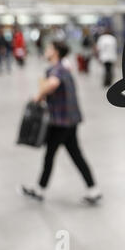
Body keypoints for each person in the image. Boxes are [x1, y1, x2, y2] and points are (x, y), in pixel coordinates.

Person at [21, 41, 101, 204]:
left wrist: (38, 95)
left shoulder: (56, 69)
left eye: (49, 48)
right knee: (75, 154)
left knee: (50, 155)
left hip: (60, 121)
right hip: (70, 119)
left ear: (56, 52)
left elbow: (53, 83)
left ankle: (39, 190)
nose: (46, 50)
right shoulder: (65, 67)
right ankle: (93, 189)